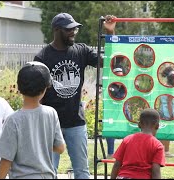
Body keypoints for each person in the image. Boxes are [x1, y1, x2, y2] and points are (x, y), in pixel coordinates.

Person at [33, 13, 116, 178]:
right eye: (68, 29)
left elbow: (108, 62)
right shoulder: (42, 57)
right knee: (48, 172)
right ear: (56, 30)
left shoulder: (81, 51)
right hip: (50, 124)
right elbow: (37, 94)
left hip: (76, 122)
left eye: (75, 29)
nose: (73, 32)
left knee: (82, 171)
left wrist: (110, 34)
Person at [0, 61, 66, 178]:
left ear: (19, 88)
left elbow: (6, 159)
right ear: (45, 89)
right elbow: (60, 148)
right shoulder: (51, 113)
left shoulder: (13, 120)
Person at [110, 108, 165, 179]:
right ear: (157, 126)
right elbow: (155, 171)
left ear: (139, 125)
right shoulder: (158, 145)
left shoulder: (127, 139)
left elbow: (117, 165)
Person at [159, 65, 174, 157]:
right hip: (167, 112)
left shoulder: (164, 86)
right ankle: (166, 151)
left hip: (161, 110)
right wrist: (171, 115)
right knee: (167, 132)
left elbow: (161, 100)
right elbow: (169, 103)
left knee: (162, 131)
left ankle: (161, 150)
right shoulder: (170, 88)